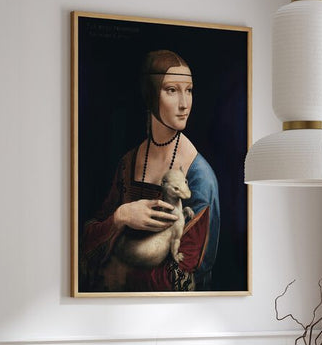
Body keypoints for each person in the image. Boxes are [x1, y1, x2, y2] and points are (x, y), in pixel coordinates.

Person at [80, 49, 220, 292]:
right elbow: (87, 240)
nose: (184, 104)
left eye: (189, 90)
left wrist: (117, 270)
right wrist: (122, 216)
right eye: (172, 90)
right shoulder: (128, 163)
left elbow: (188, 272)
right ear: (151, 94)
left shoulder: (199, 177)